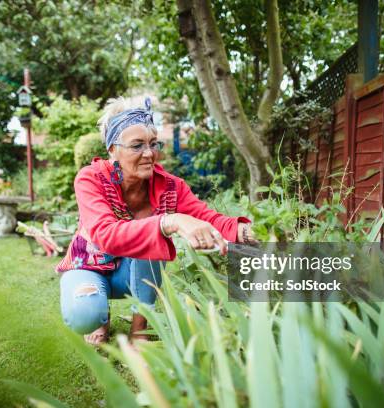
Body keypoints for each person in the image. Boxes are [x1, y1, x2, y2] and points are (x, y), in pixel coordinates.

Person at [56, 96, 256, 345]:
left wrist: (246, 231)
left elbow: (206, 217)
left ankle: (140, 330)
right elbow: (105, 234)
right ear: (112, 149)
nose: (149, 153)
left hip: (130, 275)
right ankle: (99, 314)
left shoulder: (171, 186)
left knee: (151, 244)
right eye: (137, 145)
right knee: (85, 315)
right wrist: (169, 221)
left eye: (153, 143)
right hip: (88, 267)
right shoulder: (91, 179)